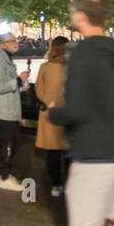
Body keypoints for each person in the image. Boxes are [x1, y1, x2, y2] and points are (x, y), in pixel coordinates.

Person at [47, 0, 114, 226]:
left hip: (93, 154)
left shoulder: (82, 53)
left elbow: (77, 109)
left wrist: (54, 114)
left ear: (80, 17)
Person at [0, 31, 30, 192]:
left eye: (15, 40)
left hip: (7, 109)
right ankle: (4, 177)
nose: (14, 43)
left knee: (10, 142)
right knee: (9, 143)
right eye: (10, 41)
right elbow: (0, 85)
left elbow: (5, 85)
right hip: (3, 110)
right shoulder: (0, 61)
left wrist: (20, 87)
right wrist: (19, 80)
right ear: (2, 45)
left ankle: (2, 173)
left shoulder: (6, 60)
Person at [34, 35, 70, 197]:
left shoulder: (45, 67)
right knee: (68, 153)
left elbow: (38, 89)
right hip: (67, 114)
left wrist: (47, 101)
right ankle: (70, 185)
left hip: (49, 114)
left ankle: (56, 184)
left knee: (52, 153)